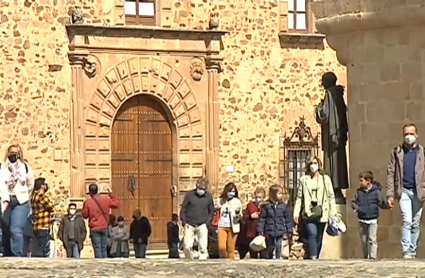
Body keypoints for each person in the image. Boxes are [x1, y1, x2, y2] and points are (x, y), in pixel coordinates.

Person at [386, 124, 425, 259]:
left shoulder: (422, 152)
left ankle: (412, 250)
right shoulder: (397, 152)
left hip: (419, 192)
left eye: (411, 133)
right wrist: (390, 194)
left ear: (416, 135)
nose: (409, 136)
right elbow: (391, 173)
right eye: (406, 134)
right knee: (406, 220)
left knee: (415, 222)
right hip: (404, 191)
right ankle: (406, 251)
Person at [293, 155, 337, 260]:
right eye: (311, 163)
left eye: (315, 163)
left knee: (319, 237)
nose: (313, 165)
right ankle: (313, 257)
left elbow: (331, 196)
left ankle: (316, 256)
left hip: (322, 210)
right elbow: (299, 197)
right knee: (312, 234)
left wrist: (333, 212)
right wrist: (296, 212)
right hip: (309, 211)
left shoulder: (325, 179)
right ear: (308, 166)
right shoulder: (303, 180)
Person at [315, 72, 349, 204]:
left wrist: (318, 108)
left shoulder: (329, 94)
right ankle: (337, 188)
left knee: (332, 162)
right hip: (338, 136)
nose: (322, 84)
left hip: (332, 137)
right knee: (339, 161)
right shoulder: (338, 94)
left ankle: (334, 189)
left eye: (323, 81)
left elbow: (324, 115)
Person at [0, 144, 35, 257]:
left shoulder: (25, 167)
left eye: (15, 152)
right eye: (11, 152)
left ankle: (17, 255)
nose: (13, 155)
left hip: (21, 201)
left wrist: (24, 194)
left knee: (16, 228)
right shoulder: (3, 167)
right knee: (6, 228)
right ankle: (7, 252)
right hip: (6, 200)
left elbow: (30, 184)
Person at [351, 171, 387, 260]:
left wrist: (387, 205)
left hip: (373, 219)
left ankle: (373, 257)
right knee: (363, 240)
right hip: (362, 218)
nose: (360, 183)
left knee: (372, 239)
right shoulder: (359, 192)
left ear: (368, 181)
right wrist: (357, 208)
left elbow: (381, 203)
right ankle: (365, 256)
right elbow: (353, 202)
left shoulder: (376, 192)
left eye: (361, 180)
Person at [180, 177, 214, 260]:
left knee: (203, 245)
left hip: (202, 224)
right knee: (187, 245)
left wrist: (207, 222)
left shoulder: (209, 197)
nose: (201, 190)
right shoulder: (189, 195)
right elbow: (184, 208)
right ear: (196, 187)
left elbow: (211, 211)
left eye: (203, 188)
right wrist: (184, 221)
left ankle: (202, 261)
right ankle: (188, 260)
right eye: (200, 188)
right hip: (190, 223)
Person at [82, 184, 119, 258]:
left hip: (94, 227)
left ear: (90, 192)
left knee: (97, 248)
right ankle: (104, 263)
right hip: (104, 226)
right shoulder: (105, 200)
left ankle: (99, 264)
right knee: (103, 247)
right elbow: (116, 204)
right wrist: (111, 194)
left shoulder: (88, 202)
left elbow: (85, 215)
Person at [257, 184, 293, 259]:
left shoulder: (283, 206)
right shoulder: (267, 206)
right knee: (271, 246)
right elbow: (262, 219)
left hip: (280, 229)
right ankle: (270, 257)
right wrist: (260, 229)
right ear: (273, 194)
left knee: (279, 245)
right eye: (279, 193)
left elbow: (287, 219)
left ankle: (277, 258)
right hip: (270, 229)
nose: (281, 195)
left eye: (281, 193)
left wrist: (289, 229)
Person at [216, 182, 242, 259]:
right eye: (230, 191)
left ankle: (230, 264)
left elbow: (240, 215)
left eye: (233, 191)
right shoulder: (220, 200)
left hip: (233, 227)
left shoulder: (237, 201)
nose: (231, 193)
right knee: (222, 248)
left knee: (231, 248)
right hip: (222, 225)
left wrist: (237, 214)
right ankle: (223, 262)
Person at [240, 187, 268, 259]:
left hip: (263, 233)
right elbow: (244, 216)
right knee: (253, 253)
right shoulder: (250, 206)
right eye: (256, 197)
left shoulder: (266, 206)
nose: (258, 199)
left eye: (260, 197)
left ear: (263, 197)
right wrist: (250, 216)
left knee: (263, 253)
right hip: (251, 232)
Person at [30, 177, 54, 257]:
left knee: (37, 246)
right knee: (44, 247)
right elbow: (51, 207)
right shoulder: (41, 196)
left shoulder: (33, 196)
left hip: (36, 225)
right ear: (42, 186)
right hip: (43, 224)